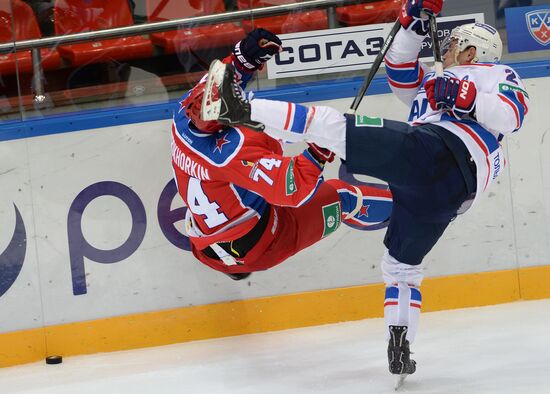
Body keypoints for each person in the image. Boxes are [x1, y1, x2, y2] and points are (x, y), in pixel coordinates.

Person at [199, 0, 529, 381]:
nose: (449, 48)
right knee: (401, 265)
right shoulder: (433, 86)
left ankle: (240, 107)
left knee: (331, 124)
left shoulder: (491, 73)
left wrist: (463, 96)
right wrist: (410, 23)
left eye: (455, 44)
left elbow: (513, 114)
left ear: (472, 52)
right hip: (441, 194)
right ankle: (401, 342)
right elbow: (399, 72)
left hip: (439, 154)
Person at [172, 28, 393, 282]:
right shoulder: (231, 151)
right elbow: (293, 190)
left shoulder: (183, 116)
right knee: (342, 197)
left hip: (207, 243)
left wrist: (244, 57)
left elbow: (217, 82)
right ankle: (420, 207)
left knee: (269, 137)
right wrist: (320, 150)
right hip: (262, 243)